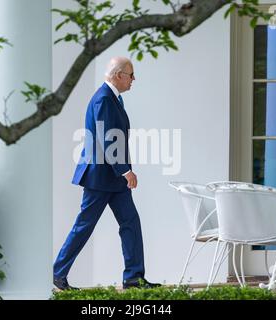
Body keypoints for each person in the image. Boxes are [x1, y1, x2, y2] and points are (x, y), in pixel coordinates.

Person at [53, 57, 160, 290]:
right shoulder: (103, 99)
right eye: (131, 75)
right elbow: (108, 138)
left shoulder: (113, 98)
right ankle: (57, 272)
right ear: (118, 75)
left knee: (130, 222)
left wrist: (122, 172)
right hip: (100, 176)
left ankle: (133, 277)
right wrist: (126, 171)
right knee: (85, 225)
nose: (134, 79)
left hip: (112, 178)